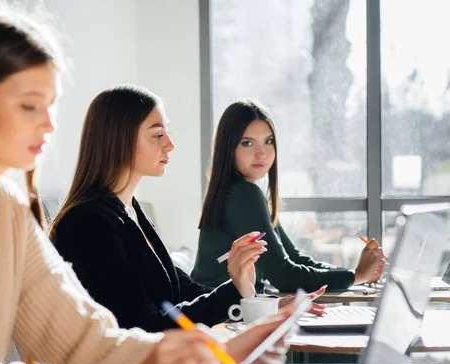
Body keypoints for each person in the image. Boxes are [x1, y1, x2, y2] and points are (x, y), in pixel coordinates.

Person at [0, 8, 297, 364]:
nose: (48, 124)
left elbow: (85, 339)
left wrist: (213, 353)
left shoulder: (7, 206)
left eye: (52, 106)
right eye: (29, 106)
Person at [50, 85, 324, 334]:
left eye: (167, 132)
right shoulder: (89, 224)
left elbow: (180, 291)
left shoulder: (130, 211)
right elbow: (139, 326)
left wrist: (260, 303)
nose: (170, 144)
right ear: (118, 140)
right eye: (158, 134)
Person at [192, 99, 384, 293]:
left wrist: (353, 275)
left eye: (269, 141)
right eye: (247, 143)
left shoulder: (238, 190)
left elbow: (294, 258)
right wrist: (356, 276)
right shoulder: (243, 194)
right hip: (218, 316)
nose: (262, 153)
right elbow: (284, 276)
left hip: (228, 310)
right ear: (228, 148)